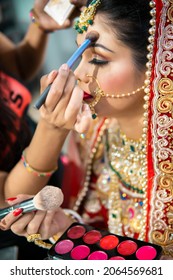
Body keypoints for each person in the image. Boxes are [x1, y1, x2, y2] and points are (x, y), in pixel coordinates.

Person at [0, 0, 172, 260]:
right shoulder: (92, 131)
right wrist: (69, 230)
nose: (78, 72)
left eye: (99, 60)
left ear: (158, 65)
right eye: (81, 56)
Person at [0, 0, 87, 259]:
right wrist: (51, 129)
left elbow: (18, 64)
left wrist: (41, 25)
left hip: (39, 158)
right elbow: (9, 198)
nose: (83, 73)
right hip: (19, 224)